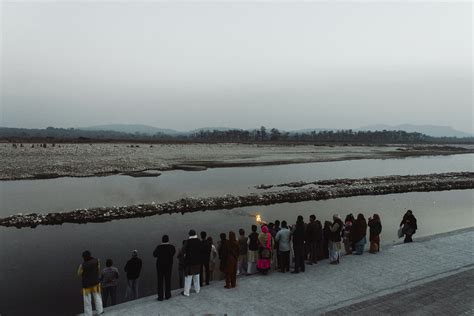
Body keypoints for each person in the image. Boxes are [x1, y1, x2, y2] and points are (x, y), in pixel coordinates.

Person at [77, 251, 103, 316]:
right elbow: (98, 269)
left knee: (87, 300)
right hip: (96, 282)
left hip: (86, 285)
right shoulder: (97, 261)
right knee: (97, 297)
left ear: (84, 257)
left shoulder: (82, 265)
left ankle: (88, 314)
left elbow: (79, 273)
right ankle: (100, 310)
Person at [153, 234, 176, 301]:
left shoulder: (159, 247)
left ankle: (160, 297)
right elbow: (173, 253)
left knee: (160, 281)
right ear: (168, 240)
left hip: (160, 266)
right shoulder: (171, 247)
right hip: (169, 265)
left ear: (162, 240)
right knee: (168, 280)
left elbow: (154, 254)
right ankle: (167, 295)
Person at [183, 229, 201, 297]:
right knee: (197, 277)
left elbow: (183, 251)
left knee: (188, 278)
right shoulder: (198, 241)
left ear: (189, 234)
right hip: (197, 262)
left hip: (189, 263)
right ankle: (197, 290)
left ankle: (186, 292)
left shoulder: (188, 242)